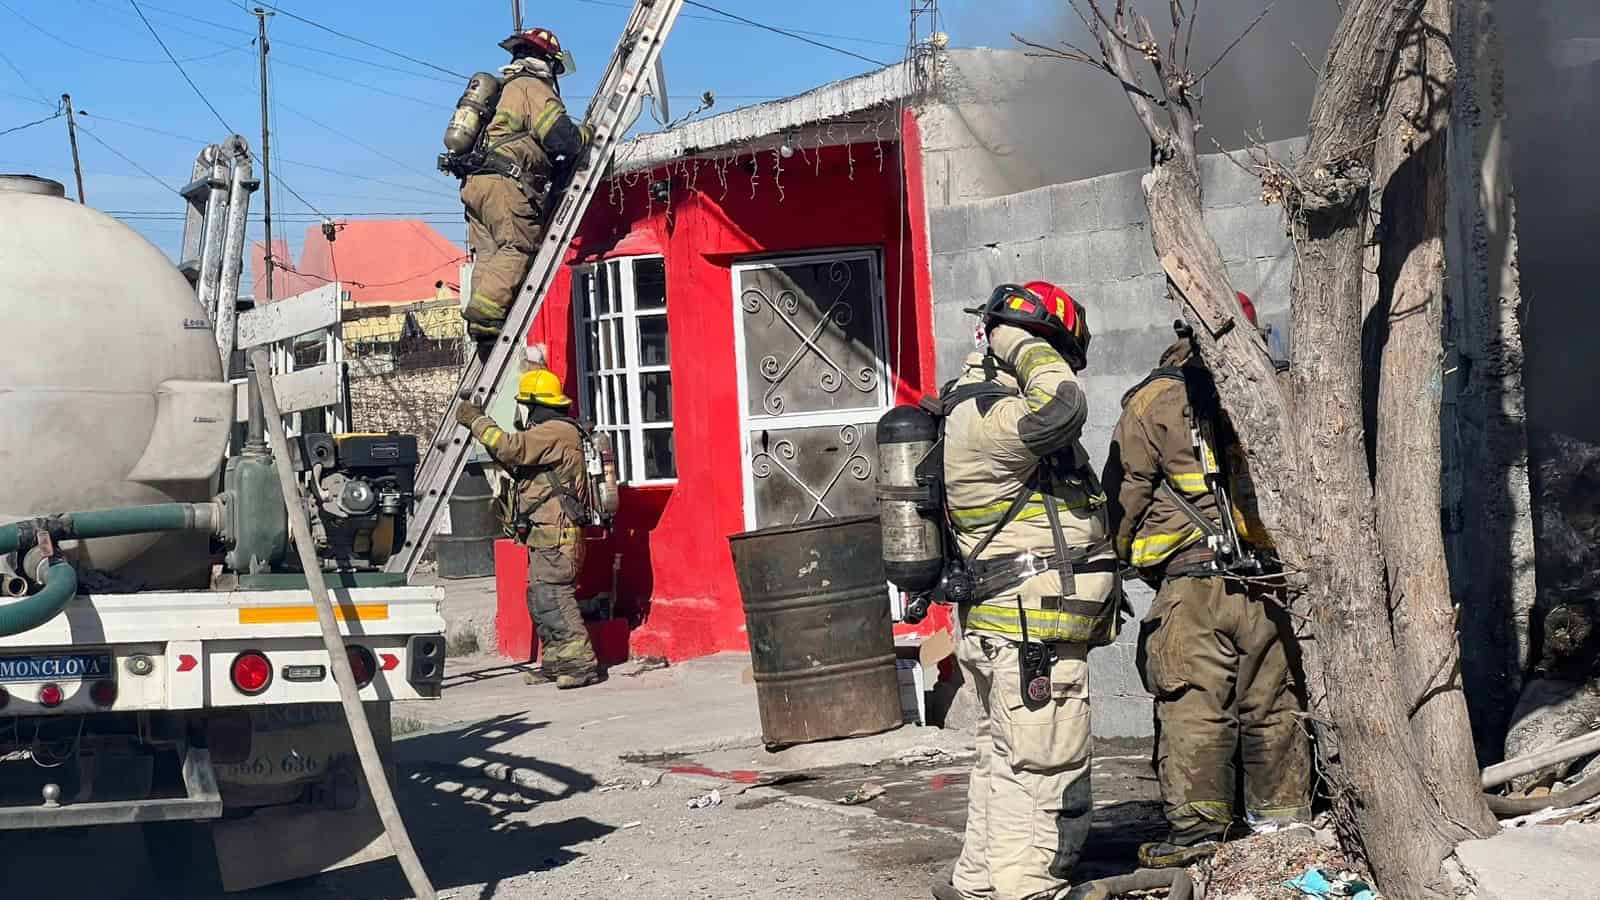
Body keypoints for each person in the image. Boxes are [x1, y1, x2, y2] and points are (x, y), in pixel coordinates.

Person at [1101, 293, 1311, 869]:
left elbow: (1126, 496)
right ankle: (1282, 832)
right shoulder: (1283, 387)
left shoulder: (1152, 401)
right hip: (1271, 587)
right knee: (1274, 702)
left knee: (1193, 705)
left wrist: (1115, 564)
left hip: (1192, 586)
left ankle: (1200, 839)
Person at [937, 282, 1120, 900]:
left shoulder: (977, 408)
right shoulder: (994, 415)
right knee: (1045, 766)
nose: (1061, 366)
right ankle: (1029, 890)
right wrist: (1019, 339)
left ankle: (982, 883)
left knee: (1004, 759)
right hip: (1027, 633)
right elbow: (1064, 404)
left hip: (1013, 627)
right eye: (1054, 351)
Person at [457, 368, 599, 689]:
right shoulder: (553, 432)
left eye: (526, 406)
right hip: (545, 533)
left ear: (535, 404)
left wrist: (475, 420)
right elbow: (518, 459)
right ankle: (556, 662)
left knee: (554, 596)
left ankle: (581, 664)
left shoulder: (555, 431)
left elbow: (510, 447)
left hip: (557, 534)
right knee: (540, 598)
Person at [459, 27, 590, 341]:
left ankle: (483, 324)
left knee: (491, 252)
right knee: (519, 245)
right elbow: (562, 138)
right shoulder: (532, 87)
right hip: (505, 184)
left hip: (477, 184)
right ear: (547, 61)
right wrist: (587, 134)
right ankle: (486, 314)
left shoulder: (503, 90)